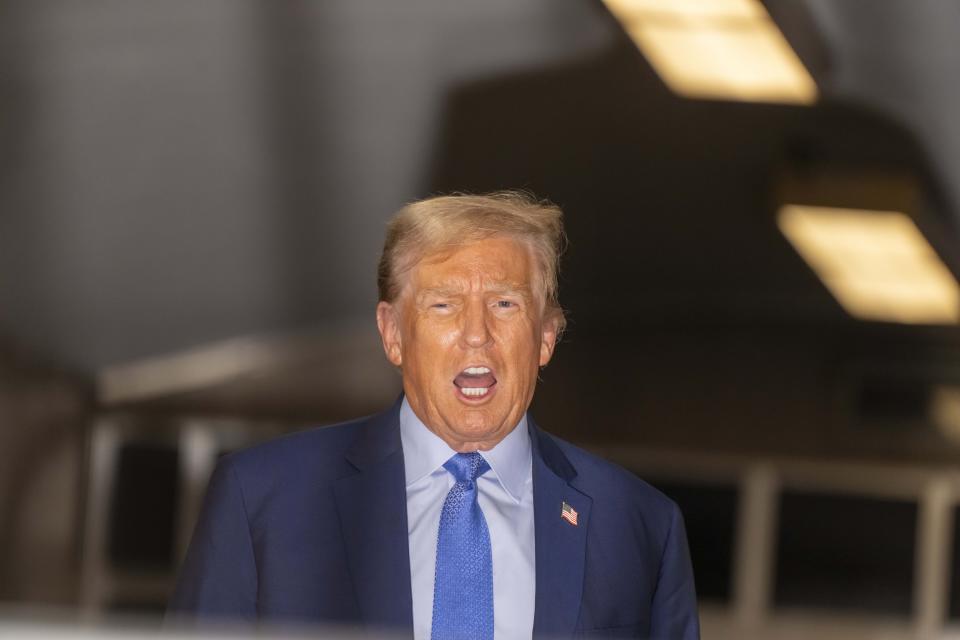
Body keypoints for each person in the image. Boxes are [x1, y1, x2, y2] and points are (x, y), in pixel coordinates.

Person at [168, 191, 699, 639]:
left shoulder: (639, 526)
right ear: (393, 333)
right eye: (443, 304)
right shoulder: (264, 500)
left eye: (505, 304)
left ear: (545, 338)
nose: (476, 333)